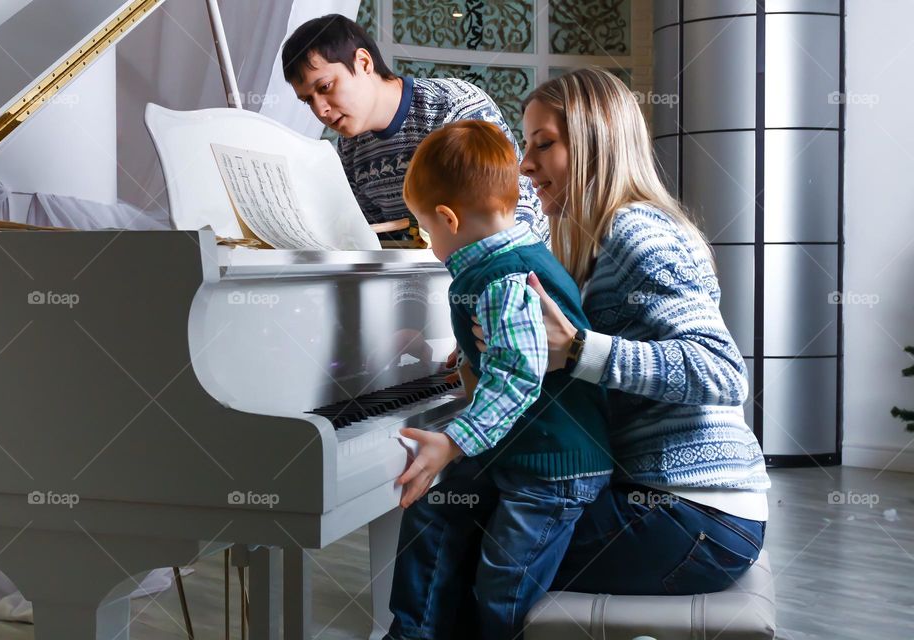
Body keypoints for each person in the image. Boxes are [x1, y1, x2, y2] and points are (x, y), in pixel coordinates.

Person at [461, 66, 770, 600]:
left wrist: (577, 349)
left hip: (695, 516)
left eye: (544, 144)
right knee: (470, 516)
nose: (525, 165)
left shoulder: (635, 232)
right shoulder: (598, 237)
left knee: (464, 537)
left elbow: (721, 371)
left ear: (594, 144)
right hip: (672, 504)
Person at [384, 120, 614, 640]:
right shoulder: (506, 258)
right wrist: (466, 356)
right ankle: (414, 631)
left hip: (553, 470)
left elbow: (515, 378)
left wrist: (453, 441)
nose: (429, 243)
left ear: (448, 217)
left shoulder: (502, 278)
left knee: (503, 586)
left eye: (426, 231)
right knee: (436, 506)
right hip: (521, 452)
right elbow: (513, 346)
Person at [281, 14, 549, 244]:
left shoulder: (453, 106)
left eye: (325, 87)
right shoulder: (352, 147)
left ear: (363, 63)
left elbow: (514, 216)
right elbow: (372, 238)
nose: (320, 110)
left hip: (519, 282)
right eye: (308, 101)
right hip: (430, 283)